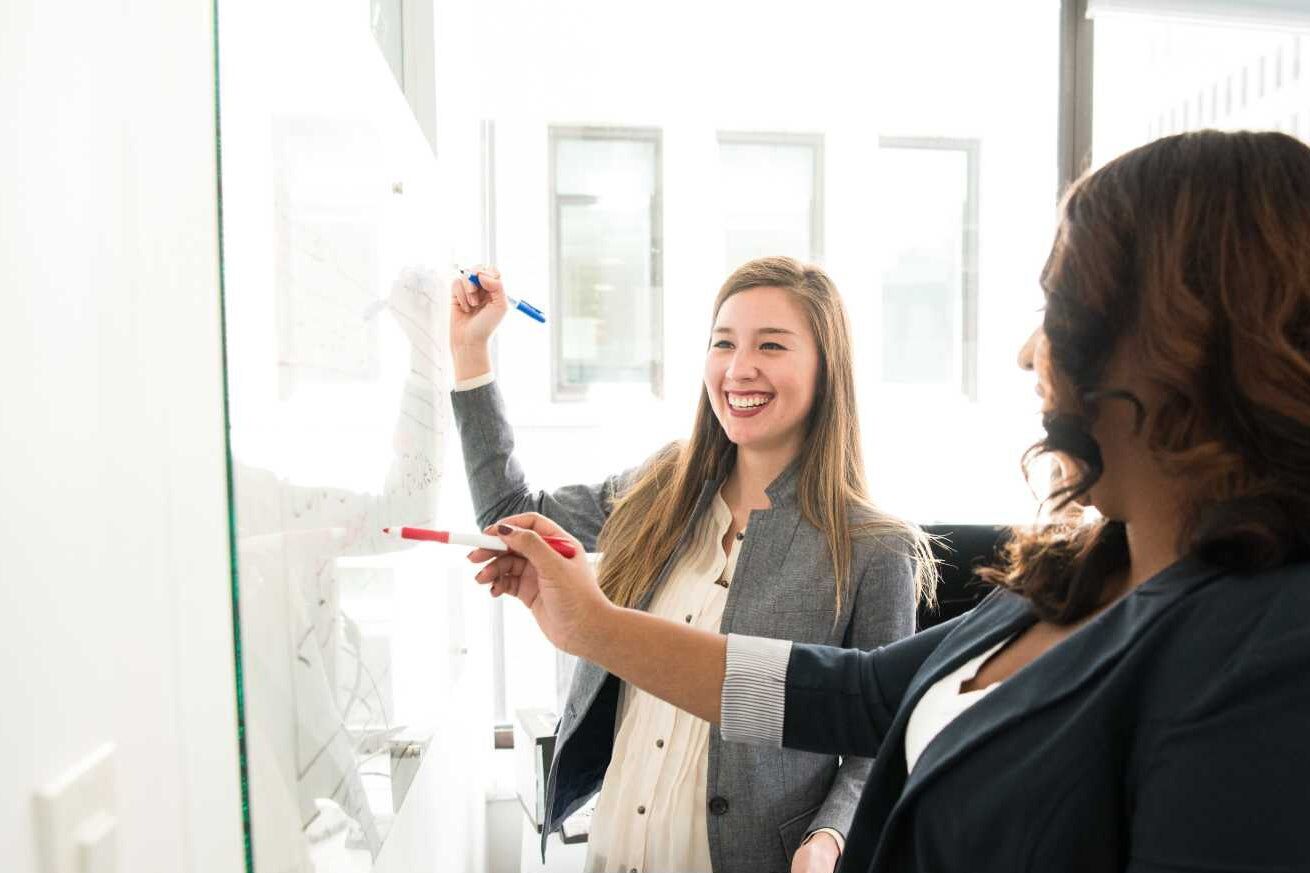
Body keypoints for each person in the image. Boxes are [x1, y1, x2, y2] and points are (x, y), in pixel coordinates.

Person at [470, 130, 1310, 872]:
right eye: (724, 342)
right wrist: (595, 627)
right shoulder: (1078, 571)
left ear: (1181, 342)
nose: (1026, 352)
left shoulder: (1271, 652)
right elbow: (858, 695)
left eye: (1061, 308)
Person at [448, 257, 934, 873]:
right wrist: (471, 352)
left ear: (826, 368)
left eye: (771, 345)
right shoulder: (662, 487)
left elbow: (882, 741)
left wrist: (830, 837)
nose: (738, 368)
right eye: (723, 343)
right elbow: (512, 514)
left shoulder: (874, 546)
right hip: (614, 852)